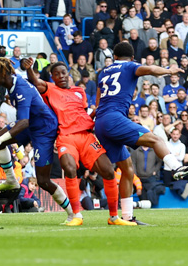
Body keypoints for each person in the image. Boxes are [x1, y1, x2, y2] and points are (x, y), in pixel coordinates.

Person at [94, 42, 188, 224]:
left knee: (127, 170)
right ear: (132, 58)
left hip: (101, 122)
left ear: (113, 57)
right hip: (114, 118)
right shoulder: (129, 65)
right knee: (156, 139)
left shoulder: (104, 72)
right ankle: (177, 167)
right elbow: (151, 69)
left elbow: (98, 103)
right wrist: (169, 71)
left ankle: (127, 217)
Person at [20, 57, 130, 226]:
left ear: (68, 74)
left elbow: (81, 112)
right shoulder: (49, 88)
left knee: (108, 171)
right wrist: (29, 68)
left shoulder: (80, 91)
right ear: (53, 77)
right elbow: (35, 81)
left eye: (63, 73)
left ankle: (114, 217)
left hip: (87, 136)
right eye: (56, 74)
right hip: (66, 137)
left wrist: (94, 114)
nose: (61, 76)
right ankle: (76, 215)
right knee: (69, 168)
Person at [0, 58, 76, 223]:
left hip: (44, 129)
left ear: (2, 74)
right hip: (31, 124)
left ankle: (74, 213)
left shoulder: (20, 88)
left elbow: (23, 122)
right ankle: (12, 180)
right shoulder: (12, 82)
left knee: (43, 181)